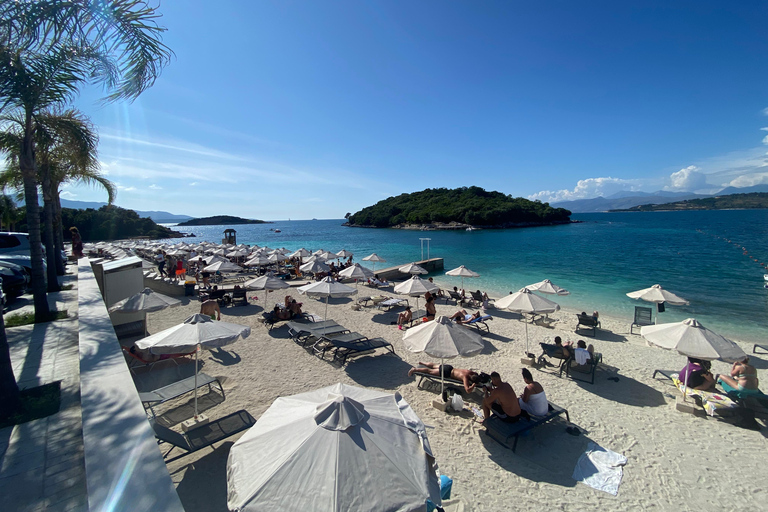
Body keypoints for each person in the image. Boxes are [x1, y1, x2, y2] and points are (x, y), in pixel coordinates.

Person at [408, 363, 482, 394]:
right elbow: (468, 390)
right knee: (429, 371)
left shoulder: (470, 372)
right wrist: (473, 385)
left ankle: (422, 363)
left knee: (433, 365)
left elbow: (476, 374)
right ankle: (414, 369)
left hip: (449, 367)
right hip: (447, 373)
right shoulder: (465, 377)